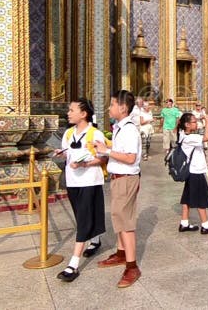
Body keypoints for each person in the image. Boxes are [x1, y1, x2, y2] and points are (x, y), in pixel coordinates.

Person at [54, 98, 106, 283]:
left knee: (84, 216)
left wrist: (84, 163)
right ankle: (96, 239)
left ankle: (73, 263)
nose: (68, 113)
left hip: (90, 180)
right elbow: (68, 153)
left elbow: (102, 158)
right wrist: (61, 153)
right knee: (80, 213)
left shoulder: (95, 133)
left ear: (83, 114)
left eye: (72, 110)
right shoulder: (68, 133)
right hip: (73, 180)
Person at [94, 90, 143, 288]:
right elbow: (122, 150)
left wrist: (106, 151)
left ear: (122, 108)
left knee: (125, 220)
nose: (109, 108)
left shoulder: (129, 129)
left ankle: (132, 266)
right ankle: (122, 253)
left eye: (112, 104)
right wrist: (105, 146)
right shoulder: (120, 128)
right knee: (118, 217)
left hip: (126, 178)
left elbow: (130, 157)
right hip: (118, 177)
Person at [176, 112, 208, 234]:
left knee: (187, 198)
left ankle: (184, 223)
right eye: (194, 122)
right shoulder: (190, 138)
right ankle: (205, 225)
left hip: (191, 171)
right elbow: (207, 137)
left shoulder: (183, 134)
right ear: (187, 124)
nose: (197, 123)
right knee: (202, 199)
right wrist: (207, 120)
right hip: (195, 172)